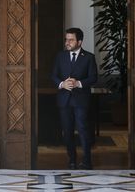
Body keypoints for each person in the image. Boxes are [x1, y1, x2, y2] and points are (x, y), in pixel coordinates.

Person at [51, 27, 97, 170]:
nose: (67, 42)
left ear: (80, 42)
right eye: (66, 39)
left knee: (83, 130)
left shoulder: (89, 57)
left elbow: (94, 78)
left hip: (81, 100)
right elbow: (53, 75)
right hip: (64, 100)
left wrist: (78, 83)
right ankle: (72, 160)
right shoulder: (60, 56)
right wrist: (62, 84)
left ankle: (87, 161)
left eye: (71, 40)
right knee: (67, 131)